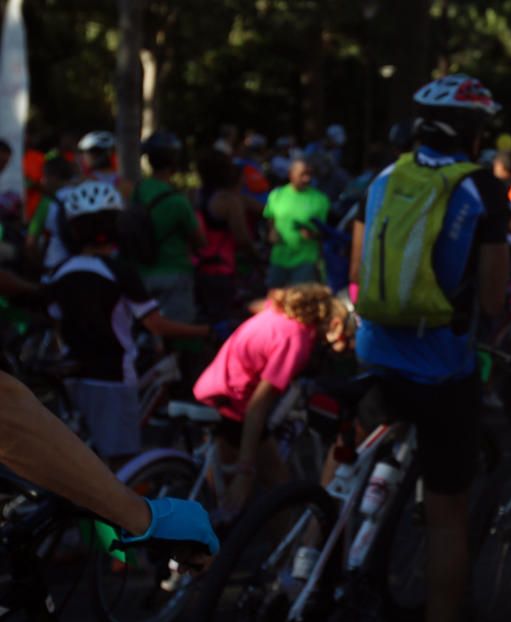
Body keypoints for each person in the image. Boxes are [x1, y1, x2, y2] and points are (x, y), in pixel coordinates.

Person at [349, 73, 509, 622]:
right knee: (447, 518)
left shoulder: (384, 178)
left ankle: (306, 563)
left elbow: (361, 268)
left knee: (348, 465)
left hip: (373, 352)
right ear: (473, 136)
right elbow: (492, 300)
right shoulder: (482, 191)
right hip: (442, 371)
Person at [46, 180, 211, 464]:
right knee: (120, 465)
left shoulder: (60, 271)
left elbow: (57, 324)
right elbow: (156, 324)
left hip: (75, 372)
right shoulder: (120, 272)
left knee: (79, 455)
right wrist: (205, 330)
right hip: (114, 375)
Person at [0, 370, 218, 563]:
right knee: (120, 458)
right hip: (111, 376)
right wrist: (145, 518)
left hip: (90, 374)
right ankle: (118, 556)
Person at [192, 283, 352, 515]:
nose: (343, 348)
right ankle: (288, 548)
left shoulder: (281, 313)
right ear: (335, 325)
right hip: (234, 402)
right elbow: (258, 406)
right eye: (344, 341)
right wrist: (245, 470)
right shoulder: (296, 342)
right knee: (279, 488)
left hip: (213, 387)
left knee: (220, 490)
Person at [132, 131, 205, 323]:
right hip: (174, 275)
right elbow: (199, 241)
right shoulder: (178, 200)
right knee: (179, 335)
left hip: (140, 274)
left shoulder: (137, 192)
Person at [194, 149, 256, 321]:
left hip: (196, 266)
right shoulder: (228, 200)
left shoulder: (194, 195)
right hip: (221, 268)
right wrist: (255, 256)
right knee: (222, 321)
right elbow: (242, 239)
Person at [263, 158, 330, 287]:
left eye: (310, 174)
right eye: (303, 174)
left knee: (299, 302)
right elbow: (270, 217)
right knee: (275, 299)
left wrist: (313, 234)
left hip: (305, 261)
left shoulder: (321, 199)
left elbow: (325, 232)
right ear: (291, 174)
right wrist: (271, 230)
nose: (307, 178)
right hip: (279, 259)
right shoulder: (276, 195)